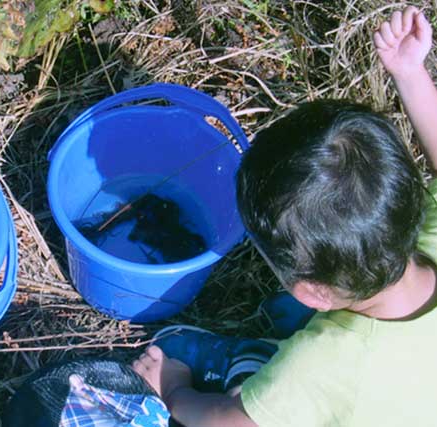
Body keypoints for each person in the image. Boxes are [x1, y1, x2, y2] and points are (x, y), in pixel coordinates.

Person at [132, 6, 437, 426]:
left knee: (255, 397)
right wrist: (409, 72)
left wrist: (174, 390)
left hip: (350, 395)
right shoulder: (425, 228)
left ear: (314, 292)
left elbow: (232, 424)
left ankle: (254, 369)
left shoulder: (325, 365)